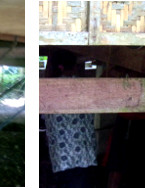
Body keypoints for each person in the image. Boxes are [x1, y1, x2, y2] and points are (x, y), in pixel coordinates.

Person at [41, 50, 98, 188]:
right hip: (83, 154)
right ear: (73, 66)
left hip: (61, 156)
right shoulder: (84, 87)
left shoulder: (47, 89)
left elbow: (44, 118)